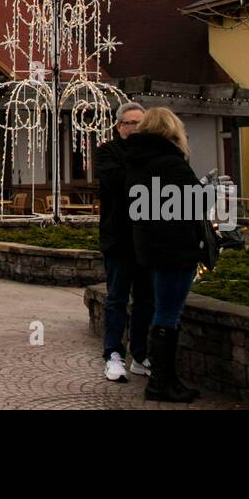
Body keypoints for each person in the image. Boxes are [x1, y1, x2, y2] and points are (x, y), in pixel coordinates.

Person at [125, 106, 205, 403]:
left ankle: (162, 378)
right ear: (172, 131)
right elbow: (195, 204)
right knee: (168, 313)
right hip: (176, 249)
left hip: (149, 247)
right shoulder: (172, 164)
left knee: (161, 309)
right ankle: (162, 382)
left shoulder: (135, 161)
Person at [94, 101, 153, 383]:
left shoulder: (153, 154)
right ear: (119, 127)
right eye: (131, 124)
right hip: (118, 238)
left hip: (147, 239)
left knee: (144, 300)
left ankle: (140, 355)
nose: (137, 129)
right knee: (116, 298)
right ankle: (113, 354)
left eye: (142, 124)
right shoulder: (108, 153)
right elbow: (120, 182)